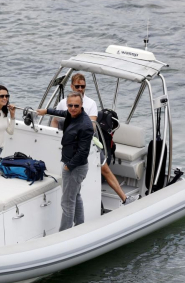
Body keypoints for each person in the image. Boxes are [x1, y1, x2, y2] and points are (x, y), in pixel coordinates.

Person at [52, 73, 138, 206]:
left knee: (105, 169)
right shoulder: (63, 103)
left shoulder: (91, 103)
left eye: (83, 86)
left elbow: (91, 127)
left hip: (89, 142)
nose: (80, 89)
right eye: (77, 86)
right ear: (71, 86)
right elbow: (54, 121)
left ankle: (125, 199)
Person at [36, 92, 93, 231]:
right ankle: (80, 226)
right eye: (70, 105)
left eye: (76, 106)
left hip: (75, 167)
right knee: (75, 195)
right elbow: (61, 112)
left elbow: (83, 152)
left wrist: (68, 166)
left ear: (82, 105)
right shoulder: (71, 114)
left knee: (67, 202)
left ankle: (64, 234)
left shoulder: (86, 125)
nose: (73, 108)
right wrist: (47, 111)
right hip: (74, 165)